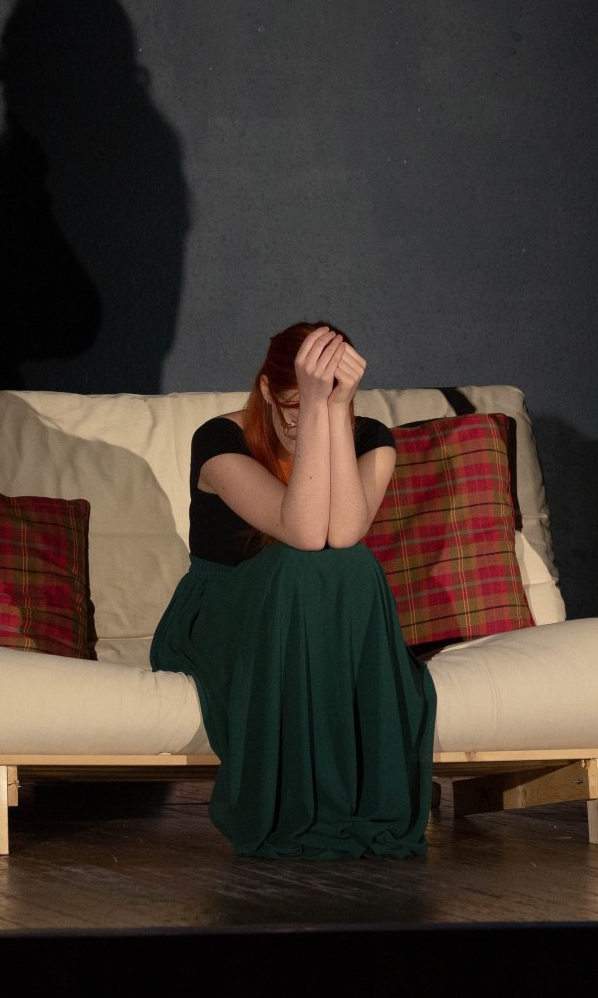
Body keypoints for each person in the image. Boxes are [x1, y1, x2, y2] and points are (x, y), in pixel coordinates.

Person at [150, 323, 436, 857]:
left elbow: (344, 533)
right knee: (303, 564)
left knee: (353, 565)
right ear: (264, 392)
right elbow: (303, 533)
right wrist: (314, 401)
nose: (301, 421)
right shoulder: (217, 439)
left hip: (316, 614)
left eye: (322, 405)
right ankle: (294, 807)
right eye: (292, 407)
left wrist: (333, 411)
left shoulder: (371, 438)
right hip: (223, 612)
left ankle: (352, 802)